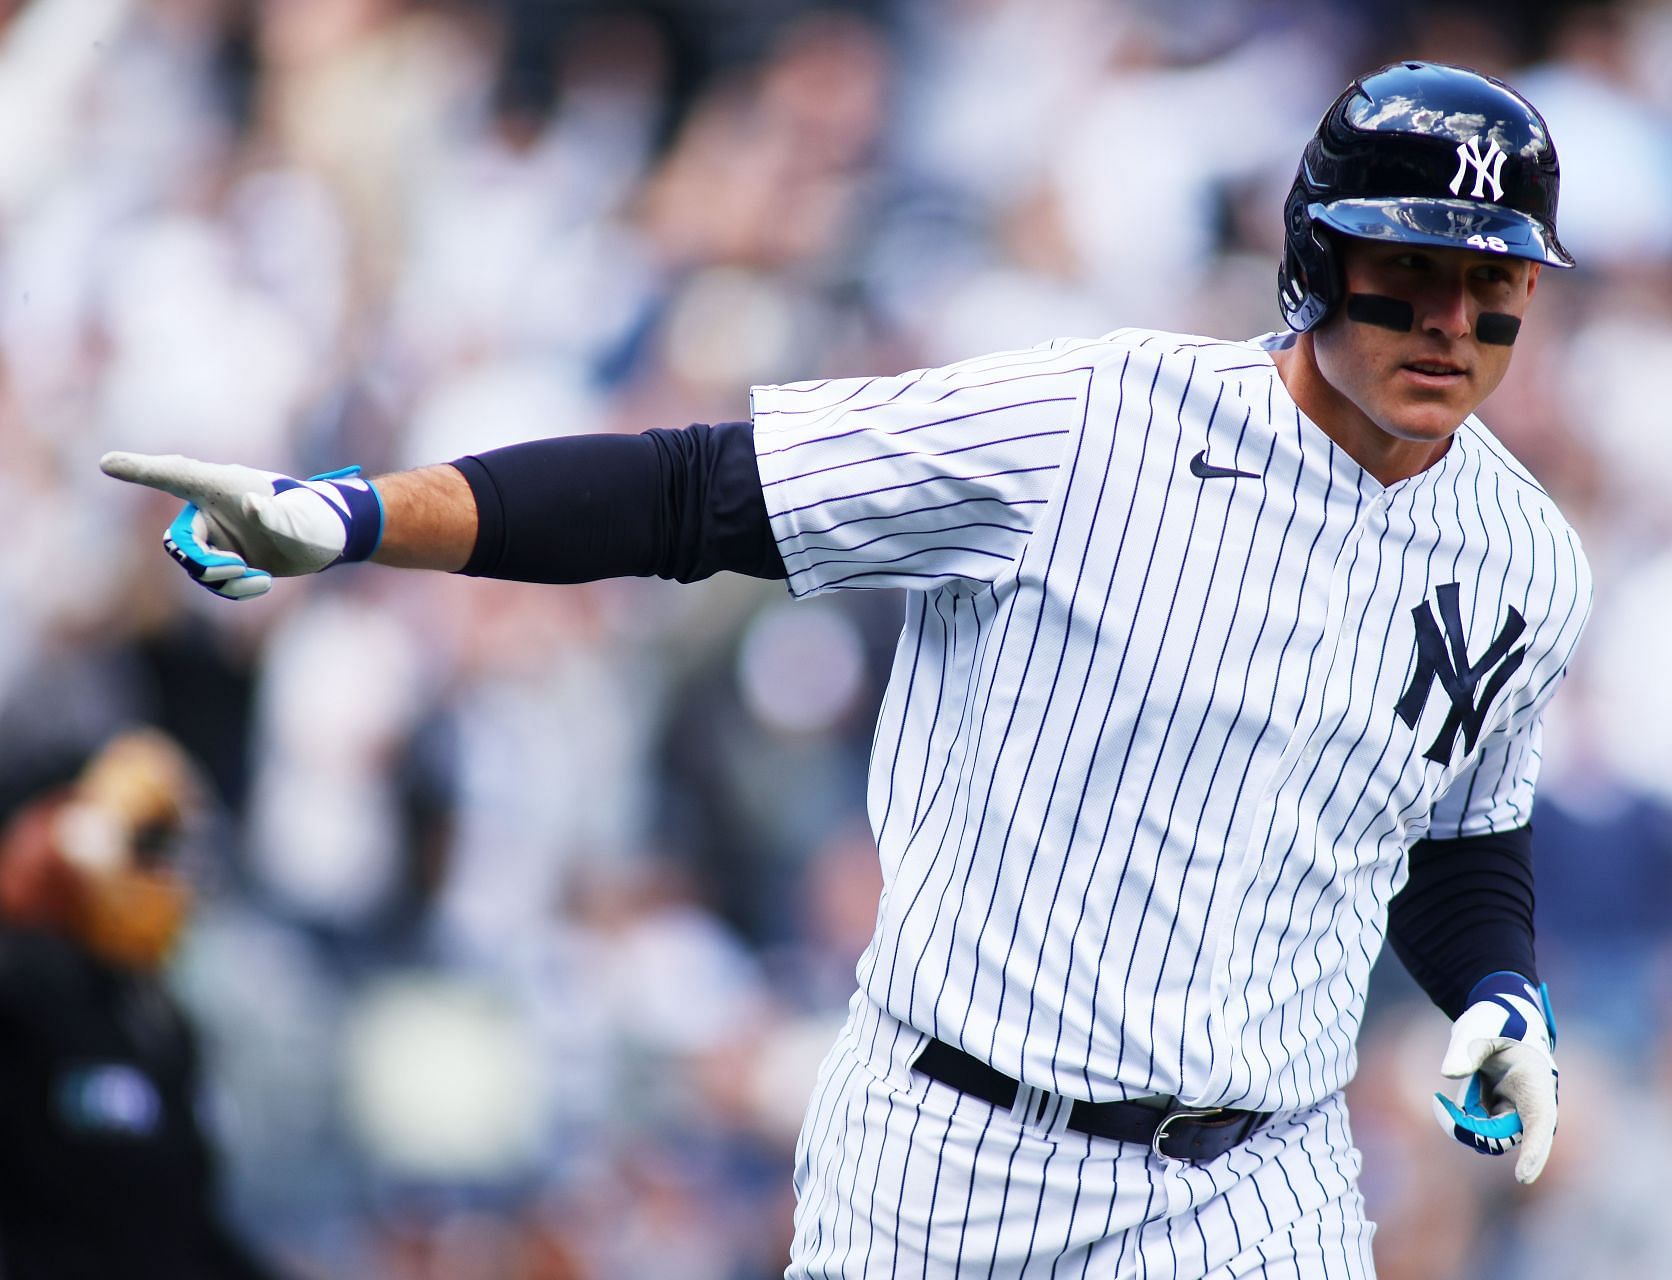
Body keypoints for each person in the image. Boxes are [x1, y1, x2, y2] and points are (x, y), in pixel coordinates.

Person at [104, 61, 1590, 1280]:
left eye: (1494, 282)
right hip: (951, 1152)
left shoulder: (1529, 558)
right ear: (1315, 260)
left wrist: (1500, 992)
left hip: (1256, 1184)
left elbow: (1463, 831)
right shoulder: (1086, 425)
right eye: (1410, 270)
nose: (1452, 324)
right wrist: (356, 515)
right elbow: (691, 493)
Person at [0, 730, 283, 1279]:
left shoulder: (159, 1023)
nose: (167, 877)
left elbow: (187, 1229)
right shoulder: (19, 999)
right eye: (149, 846)